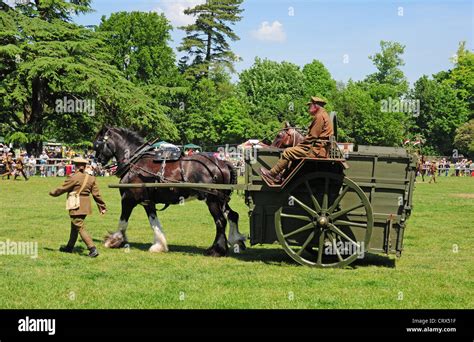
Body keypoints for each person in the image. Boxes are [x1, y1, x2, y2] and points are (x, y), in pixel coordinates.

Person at [260, 96, 334, 184]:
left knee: (288, 152)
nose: (309, 108)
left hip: (315, 150)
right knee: (293, 151)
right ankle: (280, 176)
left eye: (310, 105)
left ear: (315, 106)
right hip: (318, 149)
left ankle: (272, 175)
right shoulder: (323, 115)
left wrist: (301, 145)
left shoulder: (319, 117)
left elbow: (312, 136)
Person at [49, 157, 107, 257]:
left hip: (76, 205)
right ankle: (69, 247)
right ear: (84, 167)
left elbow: (62, 189)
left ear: (76, 166)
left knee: (79, 226)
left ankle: (92, 249)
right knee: (75, 226)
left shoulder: (73, 177)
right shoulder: (91, 178)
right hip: (86, 206)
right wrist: (102, 206)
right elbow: (96, 194)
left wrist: (52, 193)